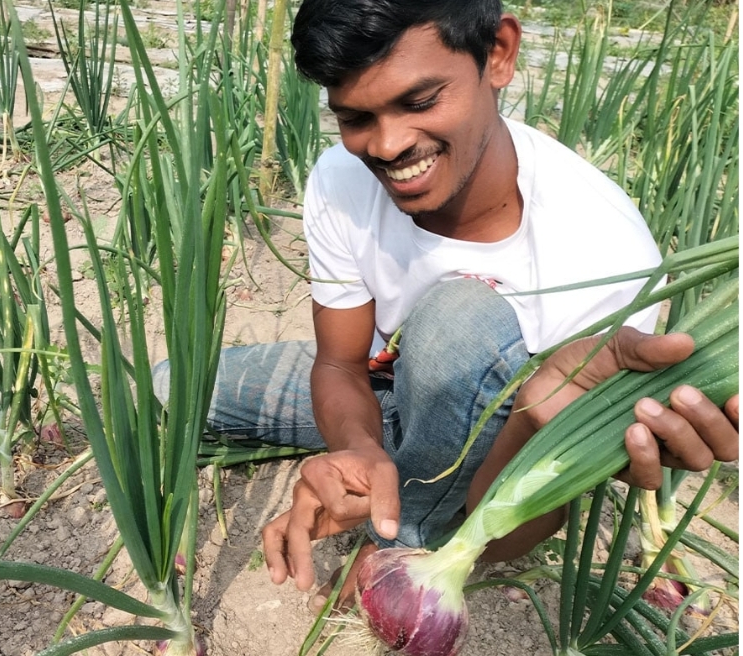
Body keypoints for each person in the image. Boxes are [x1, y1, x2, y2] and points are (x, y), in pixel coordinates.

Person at [153, 0, 740, 608]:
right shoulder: (341, 178)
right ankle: (398, 464)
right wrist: (357, 446)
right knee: (174, 386)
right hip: (392, 383)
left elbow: (522, 527)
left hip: (502, 430)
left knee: (459, 321)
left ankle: (401, 548)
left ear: (498, 55)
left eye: (420, 101)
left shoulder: (605, 257)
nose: (388, 145)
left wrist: (534, 419)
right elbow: (339, 366)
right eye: (356, 117)